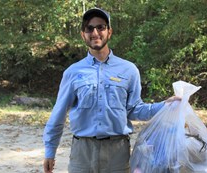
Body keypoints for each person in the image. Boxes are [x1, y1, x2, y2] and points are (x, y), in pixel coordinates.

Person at [43, 7, 180, 173]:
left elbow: (135, 109)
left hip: (117, 153)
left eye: (101, 27)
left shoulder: (129, 70)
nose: (95, 32)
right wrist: (50, 151)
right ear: (83, 34)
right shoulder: (73, 72)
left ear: (109, 32)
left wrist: (165, 106)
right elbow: (58, 114)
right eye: (89, 28)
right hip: (82, 153)